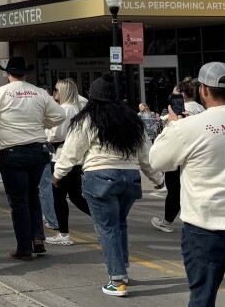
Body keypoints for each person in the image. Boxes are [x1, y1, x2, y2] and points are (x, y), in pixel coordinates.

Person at [150, 62, 225, 307]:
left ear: (203, 90)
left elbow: (158, 161)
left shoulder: (188, 127)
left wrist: (173, 126)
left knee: (202, 299)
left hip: (204, 226)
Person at [54, 74, 163, 297]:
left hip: (100, 177)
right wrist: (157, 178)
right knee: (119, 223)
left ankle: (117, 280)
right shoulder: (132, 120)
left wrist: (58, 174)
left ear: (92, 96)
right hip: (130, 178)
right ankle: (123, 271)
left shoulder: (87, 119)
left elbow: (71, 152)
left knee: (107, 227)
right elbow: (145, 154)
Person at [0, 58, 66, 261]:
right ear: (25, 74)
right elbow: (60, 115)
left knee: (18, 201)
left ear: (8, 74)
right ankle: (37, 237)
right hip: (37, 149)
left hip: (11, 150)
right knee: (32, 193)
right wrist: (41, 123)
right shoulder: (39, 92)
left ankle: (24, 247)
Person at [44, 79, 88, 246]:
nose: (54, 93)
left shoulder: (66, 109)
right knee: (75, 196)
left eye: (56, 90)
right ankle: (105, 219)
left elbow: (57, 134)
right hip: (73, 158)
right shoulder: (76, 108)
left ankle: (64, 233)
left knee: (60, 196)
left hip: (62, 156)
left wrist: (46, 132)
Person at [152, 81, 198, 233]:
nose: (171, 97)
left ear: (182, 95)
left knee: (174, 191)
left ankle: (167, 222)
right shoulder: (201, 108)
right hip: (197, 156)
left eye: (174, 93)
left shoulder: (181, 110)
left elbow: (173, 135)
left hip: (179, 156)